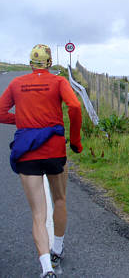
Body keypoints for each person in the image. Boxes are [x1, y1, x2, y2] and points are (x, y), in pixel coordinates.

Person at [0, 44, 83, 277]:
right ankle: (57, 249)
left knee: (38, 212)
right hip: (55, 151)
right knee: (59, 199)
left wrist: (23, 122)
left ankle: (46, 268)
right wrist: (75, 141)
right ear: (49, 63)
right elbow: (75, 106)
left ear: (30, 63)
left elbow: (0, 111)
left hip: (27, 152)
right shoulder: (58, 82)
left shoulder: (16, 84)